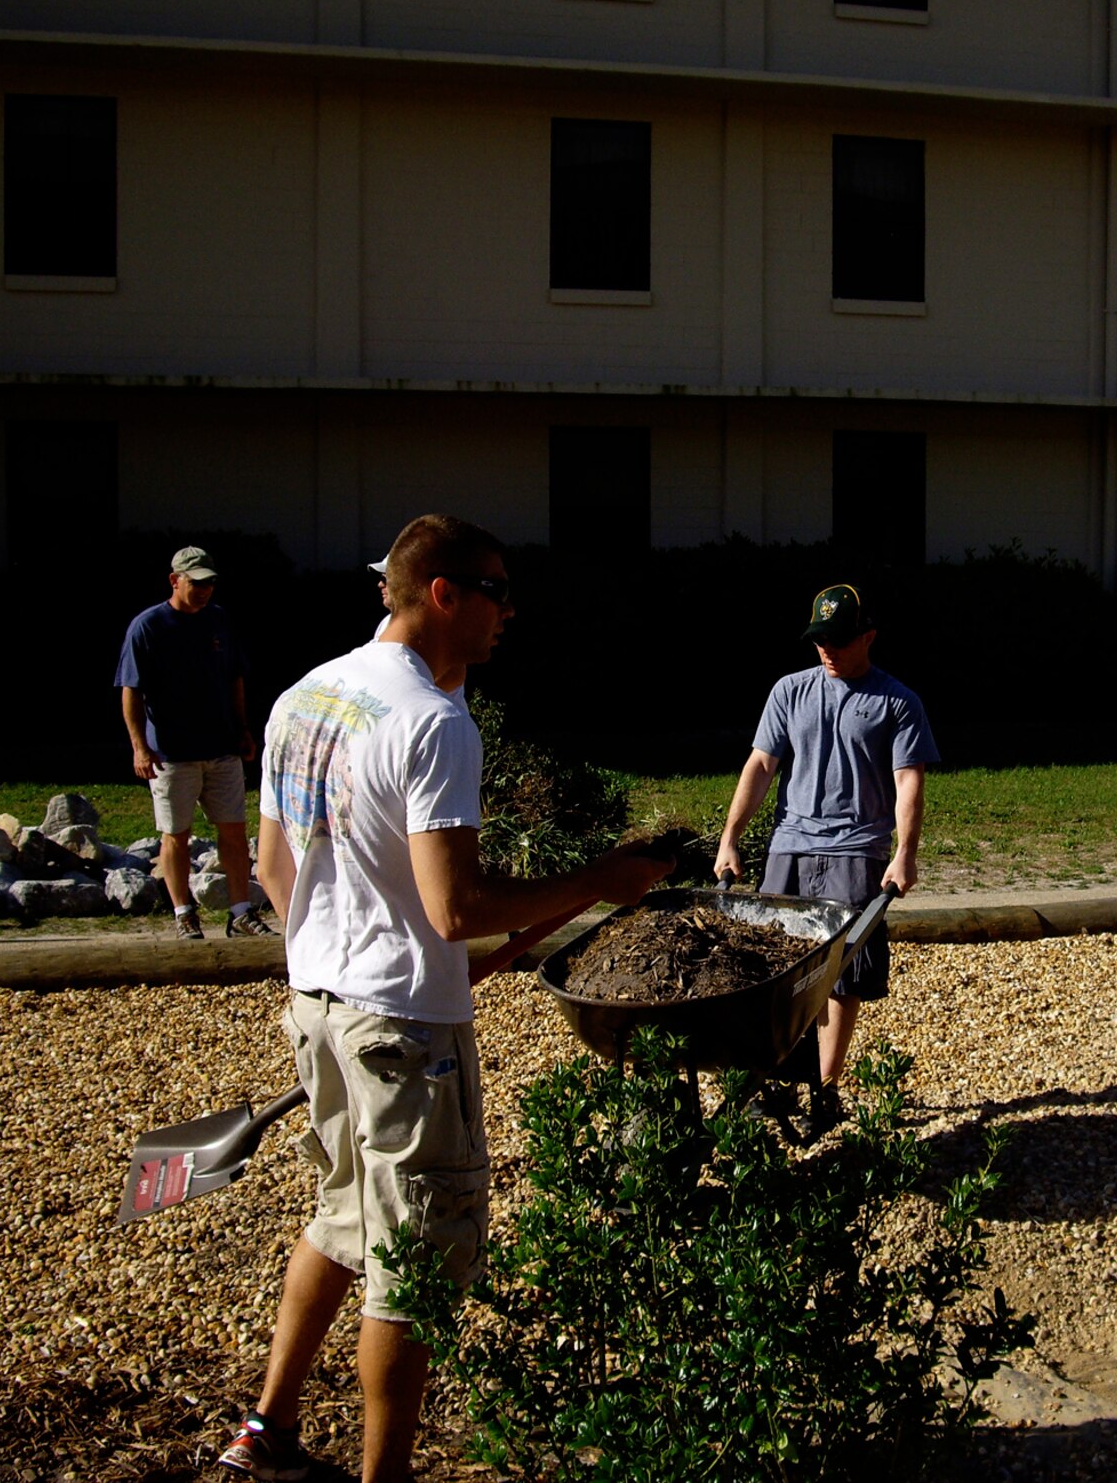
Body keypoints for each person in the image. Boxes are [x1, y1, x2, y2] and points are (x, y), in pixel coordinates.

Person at [220, 515, 674, 1483]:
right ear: (443, 594)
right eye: (498, 590)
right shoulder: (430, 721)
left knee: (340, 1218)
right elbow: (456, 903)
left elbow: (272, 864)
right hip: (404, 1032)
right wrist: (599, 878)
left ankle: (266, 1429)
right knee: (415, 1260)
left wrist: (349, 958)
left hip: (321, 1005)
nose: (511, 610)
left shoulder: (306, 694)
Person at [715, 584, 937, 1137]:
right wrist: (730, 838)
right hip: (789, 845)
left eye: (839, 640)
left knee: (841, 979)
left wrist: (905, 855)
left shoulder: (897, 701)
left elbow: (909, 781)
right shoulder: (789, 692)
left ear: (868, 636)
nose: (827, 651)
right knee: (777, 971)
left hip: (857, 851)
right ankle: (777, 1080)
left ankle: (826, 1088)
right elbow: (761, 766)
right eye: (819, 640)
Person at [115, 545, 271, 940]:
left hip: (221, 748)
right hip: (172, 753)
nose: (204, 590)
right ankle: (184, 911)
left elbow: (235, 678)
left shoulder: (219, 622)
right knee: (176, 834)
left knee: (234, 831)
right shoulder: (148, 626)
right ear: (175, 580)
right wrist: (138, 746)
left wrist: (243, 729)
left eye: (210, 583)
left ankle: (240, 911)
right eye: (196, 583)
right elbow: (130, 690)